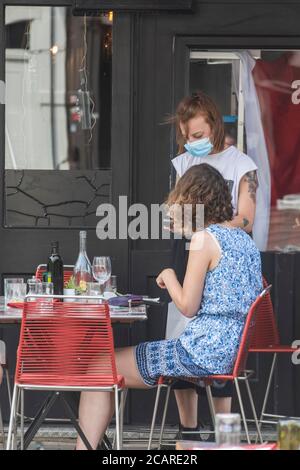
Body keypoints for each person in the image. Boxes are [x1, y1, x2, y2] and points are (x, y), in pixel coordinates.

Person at [76, 163, 263, 450]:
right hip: (230, 352)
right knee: (107, 365)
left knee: (98, 367)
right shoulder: (244, 242)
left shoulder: (205, 239)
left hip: (199, 352)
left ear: (192, 200)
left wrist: (169, 276)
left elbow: (187, 306)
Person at [165, 91, 259, 438]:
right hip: (189, 253)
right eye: (187, 137)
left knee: (219, 344)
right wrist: (178, 222)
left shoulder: (242, 165)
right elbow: (176, 211)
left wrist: (208, 230)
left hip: (224, 260)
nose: (192, 143)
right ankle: (187, 430)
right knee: (181, 334)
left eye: (198, 136)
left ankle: (224, 434)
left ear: (215, 127)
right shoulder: (182, 164)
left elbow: (246, 220)